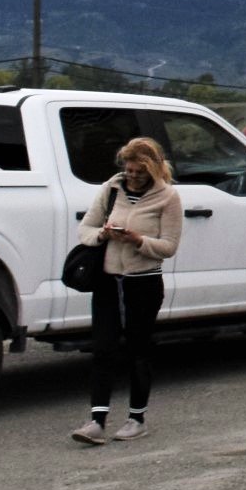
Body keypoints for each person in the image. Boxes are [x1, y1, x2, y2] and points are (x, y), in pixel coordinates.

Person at [72, 135, 182, 445]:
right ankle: (96, 420)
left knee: (138, 350)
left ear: (153, 170)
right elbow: (86, 228)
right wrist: (103, 235)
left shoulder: (168, 197)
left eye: (139, 172)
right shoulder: (112, 188)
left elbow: (169, 246)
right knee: (103, 348)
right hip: (108, 280)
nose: (132, 177)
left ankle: (137, 418)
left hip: (143, 282)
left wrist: (137, 240)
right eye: (129, 170)